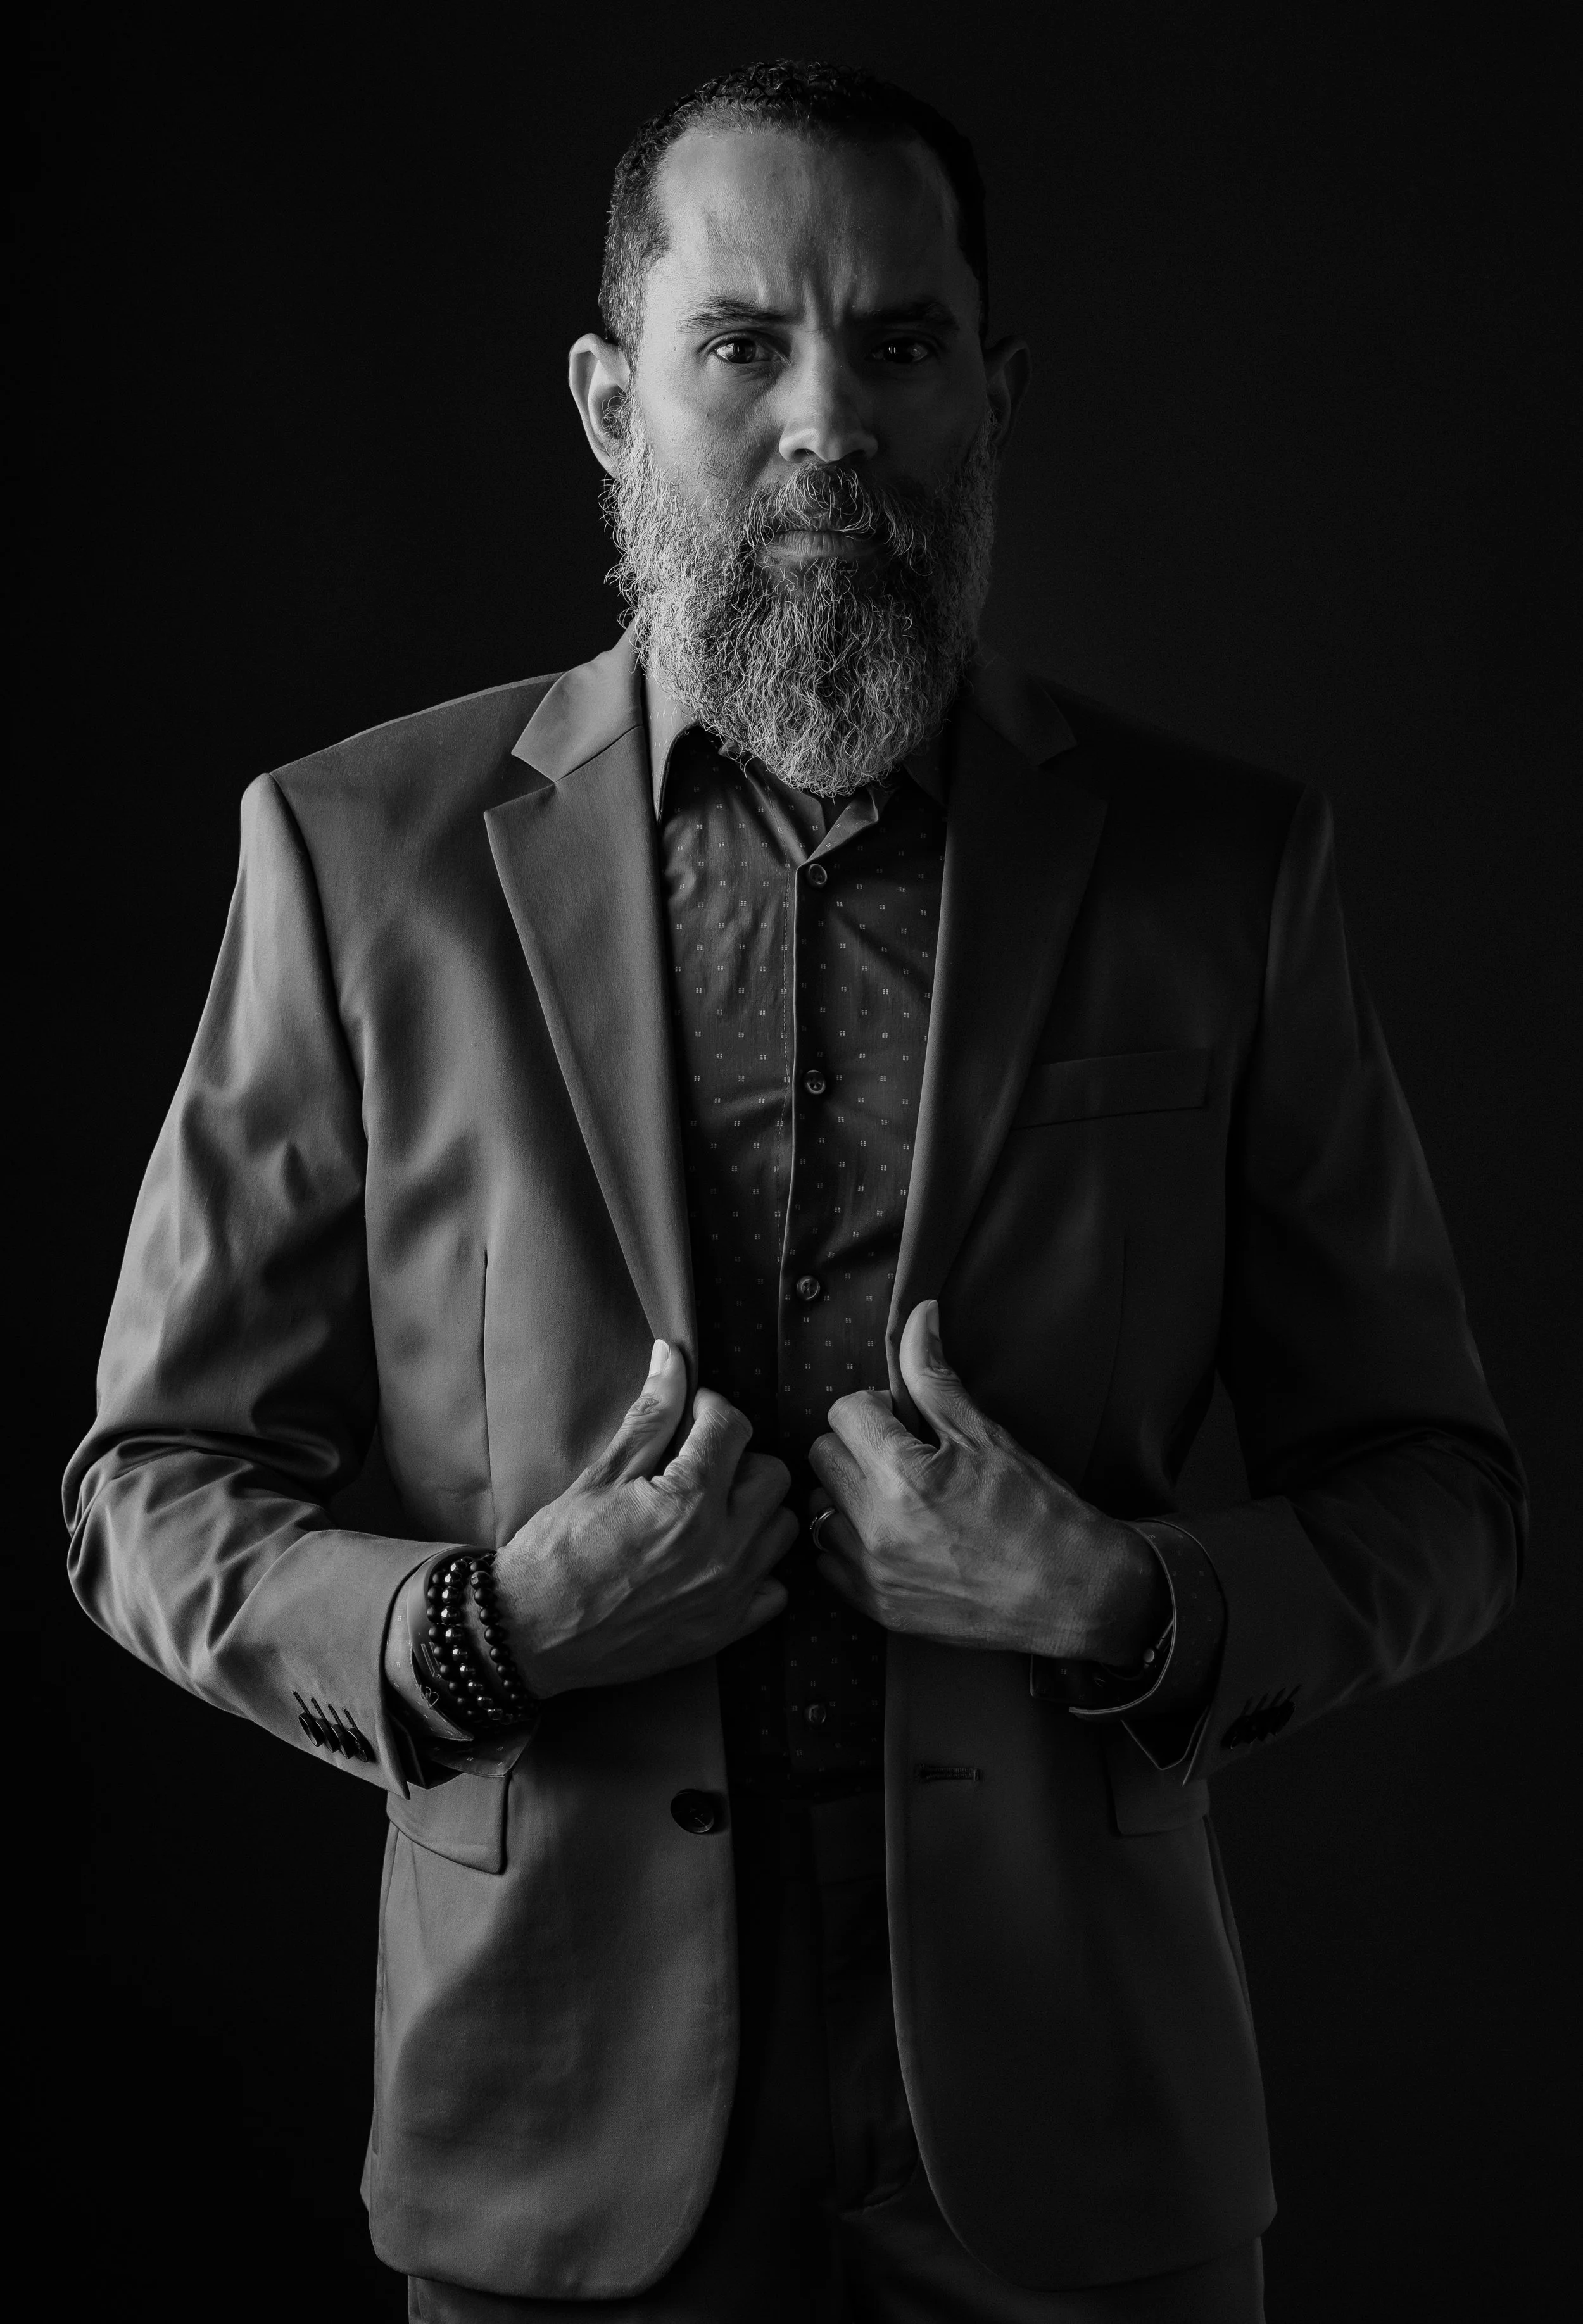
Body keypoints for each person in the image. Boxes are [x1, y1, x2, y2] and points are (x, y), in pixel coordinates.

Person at [64, 58, 1524, 2324]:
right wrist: (487, 1632)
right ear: (605, 397)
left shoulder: (1220, 871)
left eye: (900, 343)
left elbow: (1442, 1489)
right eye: (741, 344)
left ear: (992, 395)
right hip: (553, 2126)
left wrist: (1125, 1601)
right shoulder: (352, 858)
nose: (826, 419)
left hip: (1088, 2137)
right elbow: (144, 1488)